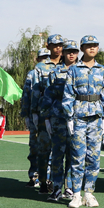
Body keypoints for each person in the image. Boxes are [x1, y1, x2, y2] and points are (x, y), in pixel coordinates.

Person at [62, 35, 104, 208]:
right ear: (82, 49)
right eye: (88, 45)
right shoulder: (74, 69)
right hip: (79, 117)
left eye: (95, 45)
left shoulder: (103, 70)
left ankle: (89, 193)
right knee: (77, 156)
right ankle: (76, 194)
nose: (92, 48)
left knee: (94, 157)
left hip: (96, 117)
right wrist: (69, 116)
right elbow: (68, 94)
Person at [43, 40, 80, 202]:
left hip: (77, 118)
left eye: (74, 51)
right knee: (57, 154)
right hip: (58, 118)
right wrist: (46, 117)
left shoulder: (82, 71)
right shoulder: (55, 72)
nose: (71, 54)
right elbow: (48, 96)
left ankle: (70, 187)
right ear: (63, 53)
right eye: (68, 51)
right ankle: (57, 188)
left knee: (74, 155)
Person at [33, 35, 64, 194]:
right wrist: (34, 112)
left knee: (60, 151)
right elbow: (35, 91)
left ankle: (56, 182)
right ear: (48, 46)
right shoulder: (41, 67)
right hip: (45, 113)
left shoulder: (68, 65)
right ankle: (43, 181)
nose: (58, 48)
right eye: (54, 45)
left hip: (63, 114)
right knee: (44, 150)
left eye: (60, 45)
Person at [22, 47, 50, 187]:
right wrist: (27, 114)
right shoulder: (32, 74)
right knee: (34, 146)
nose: (45, 60)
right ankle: (33, 175)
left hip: (49, 114)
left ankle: (47, 177)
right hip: (36, 114)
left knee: (49, 147)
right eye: (43, 58)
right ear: (38, 59)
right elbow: (26, 94)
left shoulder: (54, 71)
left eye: (47, 57)